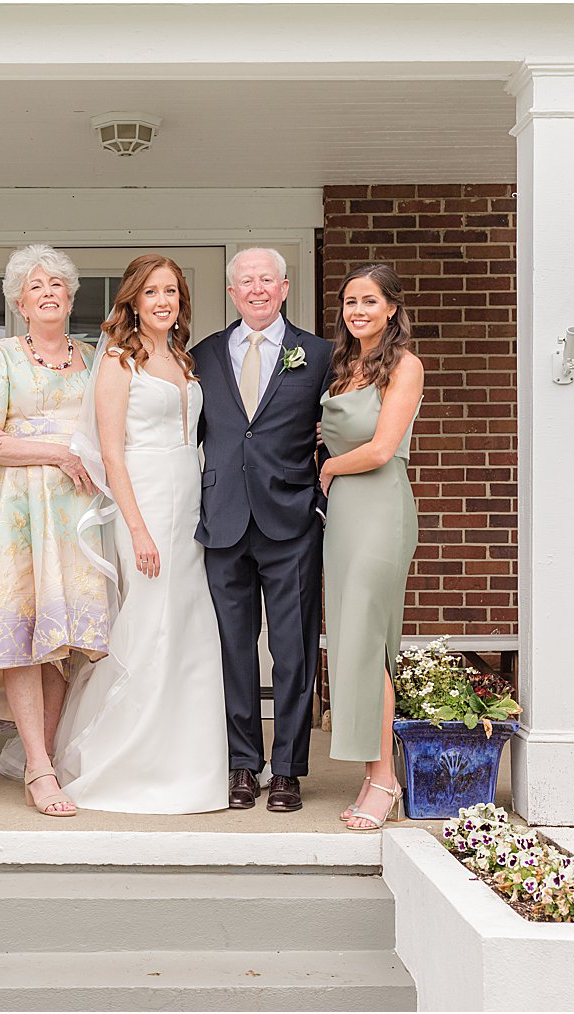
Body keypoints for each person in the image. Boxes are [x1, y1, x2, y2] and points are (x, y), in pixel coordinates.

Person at [54, 255, 228, 813]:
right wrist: (137, 528)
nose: (163, 301)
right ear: (132, 300)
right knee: (150, 620)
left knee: (189, 622)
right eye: (151, 292)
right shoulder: (117, 362)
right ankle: (126, 759)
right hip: (144, 501)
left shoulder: (183, 358)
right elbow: (110, 452)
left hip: (189, 498)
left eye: (171, 292)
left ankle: (189, 764)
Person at [0, 244, 107, 818]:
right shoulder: (1, 357)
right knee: (22, 633)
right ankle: (39, 769)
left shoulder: (92, 357)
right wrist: (55, 454)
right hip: (17, 510)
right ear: (20, 302)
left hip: (77, 514)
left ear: (70, 298)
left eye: (56, 285)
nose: (47, 293)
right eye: (35, 287)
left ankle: (51, 754)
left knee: (64, 644)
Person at [194, 248, 333, 813]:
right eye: (245, 281)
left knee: (293, 651)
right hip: (223, 520)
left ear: (284, 287)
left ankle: (288, 771)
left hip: (291, 522)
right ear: (232, 292)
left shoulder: (320, 354)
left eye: (266, 280)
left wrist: (319, 500)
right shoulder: (202, 354)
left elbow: (339, 429)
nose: (256, 289)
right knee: (233, 649)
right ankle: (242, 765)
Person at [319, 263, 424, 832]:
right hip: (344, 517)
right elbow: (339, 425)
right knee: (350, 642)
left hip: (380, 508)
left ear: (391, 308)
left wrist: (331, 464)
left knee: (369, 642)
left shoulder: (404, 366)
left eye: (368, 301)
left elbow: (382, 448)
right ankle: (373, 773)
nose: (357, 311)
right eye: (349, 302)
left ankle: (384, 778)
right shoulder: (344, 367)